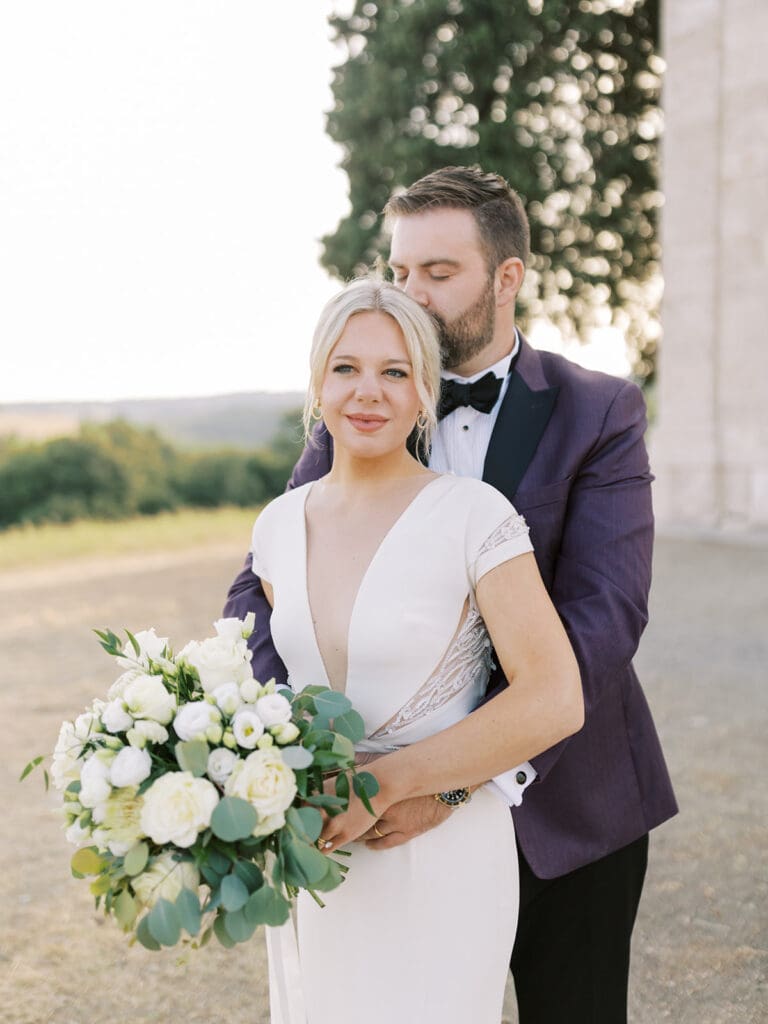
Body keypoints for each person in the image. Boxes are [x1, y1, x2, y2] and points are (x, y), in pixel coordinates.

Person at [225, 165, 678, 1023]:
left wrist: (461, 776)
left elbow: (603, 618)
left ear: (507, 278)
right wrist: (287, 749)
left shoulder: (598, 410)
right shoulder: (364, 404)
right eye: (400, 272)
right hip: (370, 821)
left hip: (571, 805)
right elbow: (263, 591)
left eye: (438, 274)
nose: (413, 295)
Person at [247, 277, 583, 1024]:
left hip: (442, 854)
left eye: (395, 372)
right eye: (347, 368)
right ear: (317, 383)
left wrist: (392, 784)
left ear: (425, 390)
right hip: (320, 857)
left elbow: (555, 696)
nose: (368, 392)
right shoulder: (276, 525)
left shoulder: (473, 515)